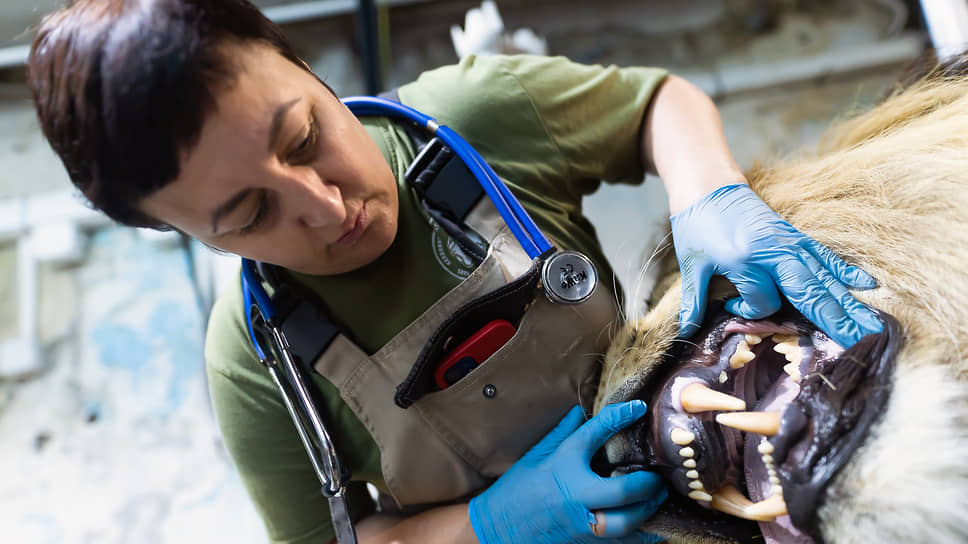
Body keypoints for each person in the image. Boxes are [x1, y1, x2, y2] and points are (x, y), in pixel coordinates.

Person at [26, 1, 883, 543]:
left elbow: (659, 102)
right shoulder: (260, 363)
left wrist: (710, 198)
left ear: (305, 67)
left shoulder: (474, 123)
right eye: (250, 217)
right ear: (188, 238)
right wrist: (491, 525)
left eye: (306, 138)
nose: (329, 209)